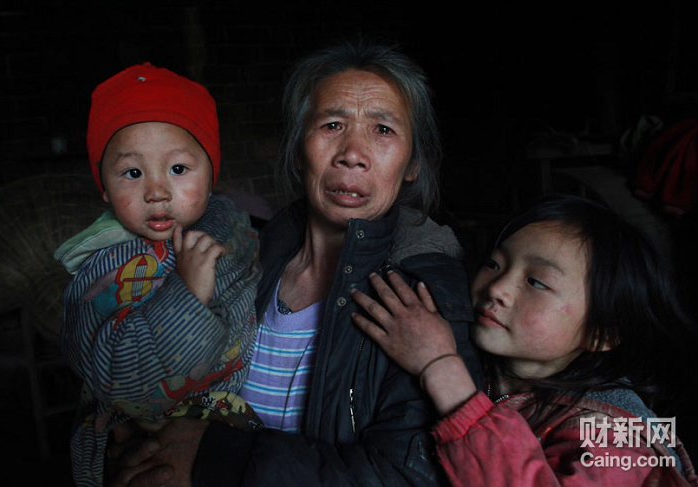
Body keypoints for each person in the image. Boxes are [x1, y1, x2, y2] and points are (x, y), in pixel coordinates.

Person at [107, 39, 482, 487]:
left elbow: (409, 475)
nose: (352, 153)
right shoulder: (244, 262)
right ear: (299, 149)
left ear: (411, 165)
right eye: (332, 125)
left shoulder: (423, 293)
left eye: (383, 130)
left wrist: (213, 456)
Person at [352, 194, 698, 486]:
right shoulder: (493, 371)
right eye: (494, 264)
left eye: (536, 282)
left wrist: (440, 368)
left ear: (601, 333)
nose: (498, 288)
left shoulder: (616, 438)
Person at [55, 63, 262, 487]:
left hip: (223, 439)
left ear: (212, 174)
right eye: (132, 173)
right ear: (104, 187)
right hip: (141, 449)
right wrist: (186, 295)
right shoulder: (103, 268)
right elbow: (121, 379)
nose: (156, 191)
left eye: (178, 169)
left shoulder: (232, 236)